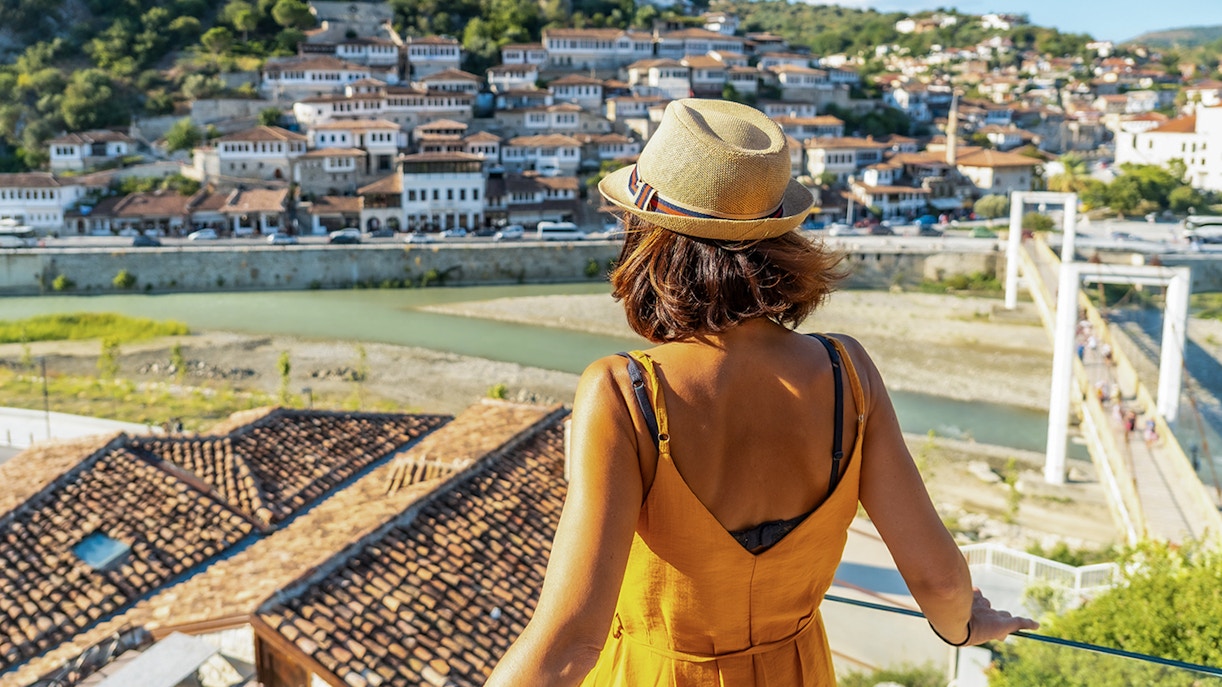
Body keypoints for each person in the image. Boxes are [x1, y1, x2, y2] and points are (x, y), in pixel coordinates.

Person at [485, 99, 1036, 687]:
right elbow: (942, 582)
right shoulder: (848, 371)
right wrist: (964, 628)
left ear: (648, 241)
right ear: (778, 239)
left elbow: (571, 643)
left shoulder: (623, 391)